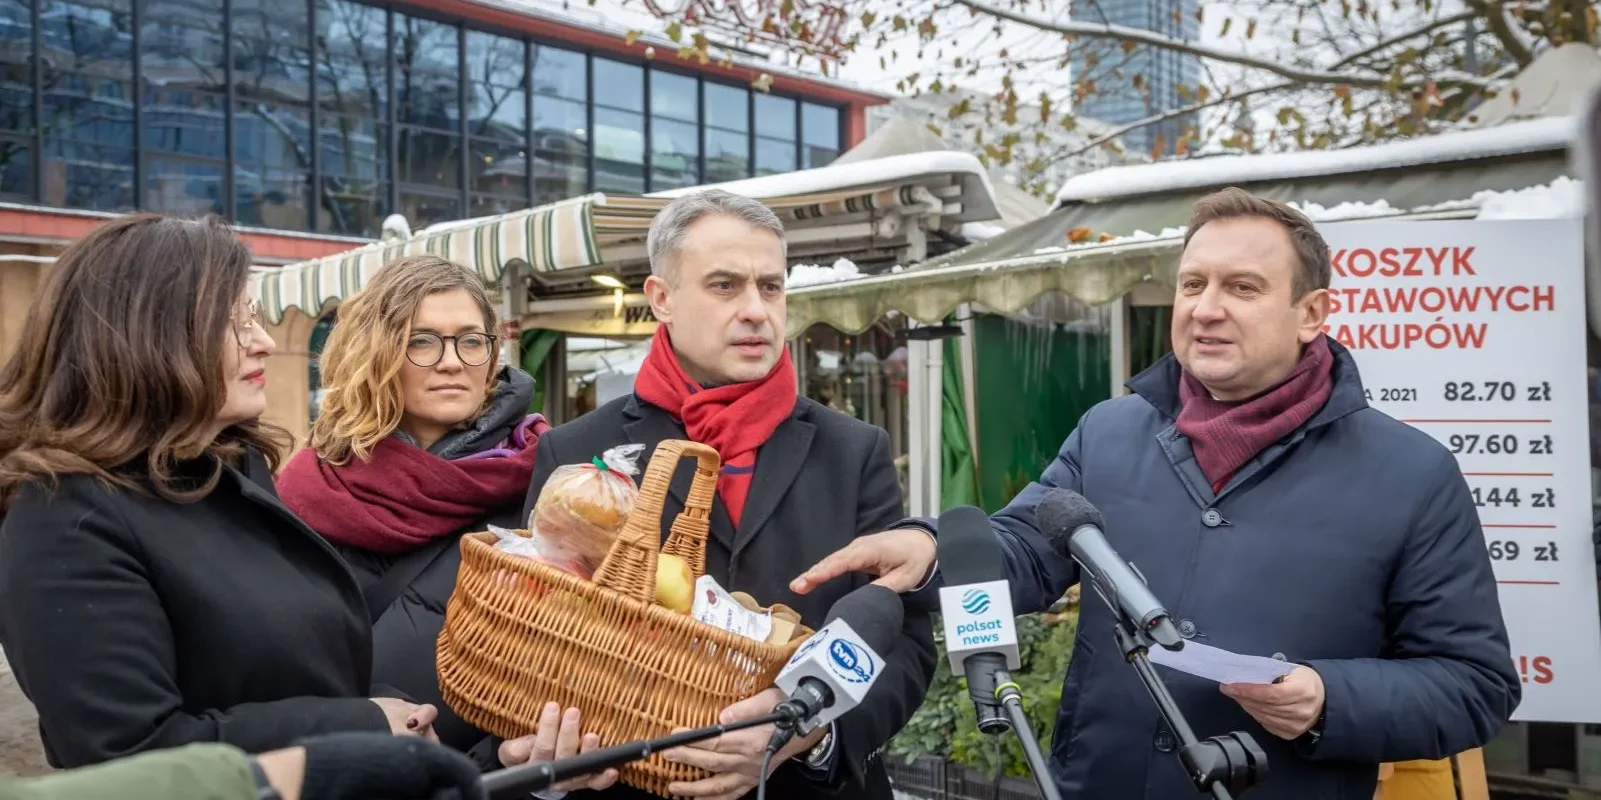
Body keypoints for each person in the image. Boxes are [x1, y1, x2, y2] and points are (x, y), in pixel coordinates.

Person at [790, 187, 1521, 799]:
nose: (1205, 308)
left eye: (1241, 288)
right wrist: (931, 545)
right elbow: (1026, 546)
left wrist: (1328, 700)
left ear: (1312, 314)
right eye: (1192, 283)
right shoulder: (1111, 431)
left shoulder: (1413, 474)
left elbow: (1473, 686)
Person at [522, 189, 936, 799]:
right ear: (661, 299)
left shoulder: (854, 451)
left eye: (770, 287)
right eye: (725, 286)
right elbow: (537, 626)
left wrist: (811, 735)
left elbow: (903, 640)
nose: (755, 310)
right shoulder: (577, 451)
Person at [0, 215, 437, 770]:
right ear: (151, 335)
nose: (265, 342)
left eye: (253, 317)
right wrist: (365, 724)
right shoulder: (63, 515)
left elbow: (304, 660)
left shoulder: (226, 465)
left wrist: (394, 713)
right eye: (235, 323)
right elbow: (127, 753)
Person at [274, 256, 617, 793]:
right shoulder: (305, 492)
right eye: (422, 341)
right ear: (378, 353)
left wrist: (503, 762)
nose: (452, 361)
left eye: (470, 341)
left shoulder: (557, 490)